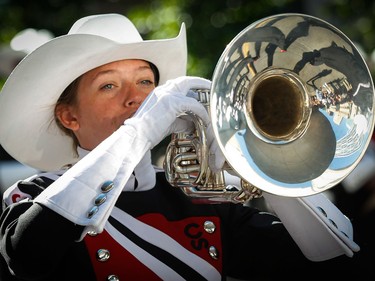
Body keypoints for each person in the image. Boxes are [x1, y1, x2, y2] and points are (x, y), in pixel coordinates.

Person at [0, 13, 363, 281]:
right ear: (69, 117)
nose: (136, 98)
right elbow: (29, 254)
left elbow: (325, 259)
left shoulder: (198, 195)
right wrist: (140, 129)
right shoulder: (34, 194)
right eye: (108, 86)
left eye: (145, 81)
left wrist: (252, 153)